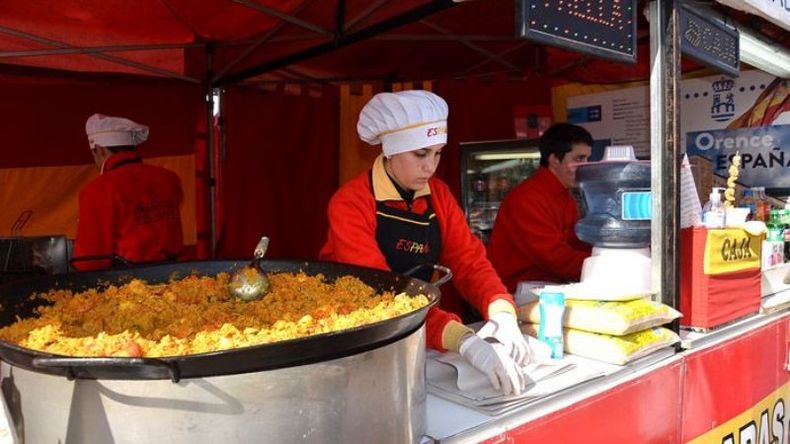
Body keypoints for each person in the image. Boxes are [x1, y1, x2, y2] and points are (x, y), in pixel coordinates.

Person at [320, 90, 529, 395]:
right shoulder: (350, 203)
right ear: (390, 151)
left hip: (420, 328)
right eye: (420, 154)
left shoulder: (439, 195)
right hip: (358, 337)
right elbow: (380, 291)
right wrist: (461, 338)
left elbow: (470, 262)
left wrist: (502, 312)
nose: (430, 166)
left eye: (438, 153)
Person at [487, 123, 593, 291]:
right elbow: (555, 258)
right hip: (516, 294)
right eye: (578, 159)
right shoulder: (527, 198)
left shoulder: (565, 195)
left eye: (587, 159)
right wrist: (601, 266)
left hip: (549, 287)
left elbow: (576, 244)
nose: (585, 166)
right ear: (554, 160)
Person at [73, 113, 184, 271]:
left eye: (94, 155)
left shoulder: (98, 190)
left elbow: (90, 262)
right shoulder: (169, 178)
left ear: (100, 150)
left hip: (128, 285)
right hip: (177, 277)